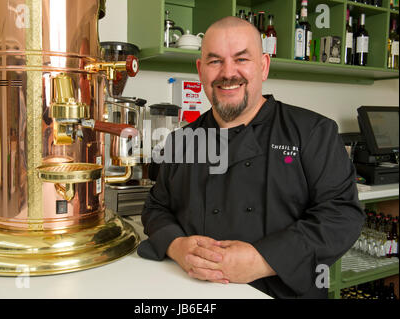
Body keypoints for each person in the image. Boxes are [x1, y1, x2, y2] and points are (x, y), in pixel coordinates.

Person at [137, 16, 365, 298]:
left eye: (241, 59)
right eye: (215, 61)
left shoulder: (313, 132)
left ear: (264, 66)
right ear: (200, 69)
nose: (227, 73)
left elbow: (341, 215)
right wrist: (176, 245)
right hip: (193, 295)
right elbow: (156, 208)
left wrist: (264, 259)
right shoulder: (181, 140)